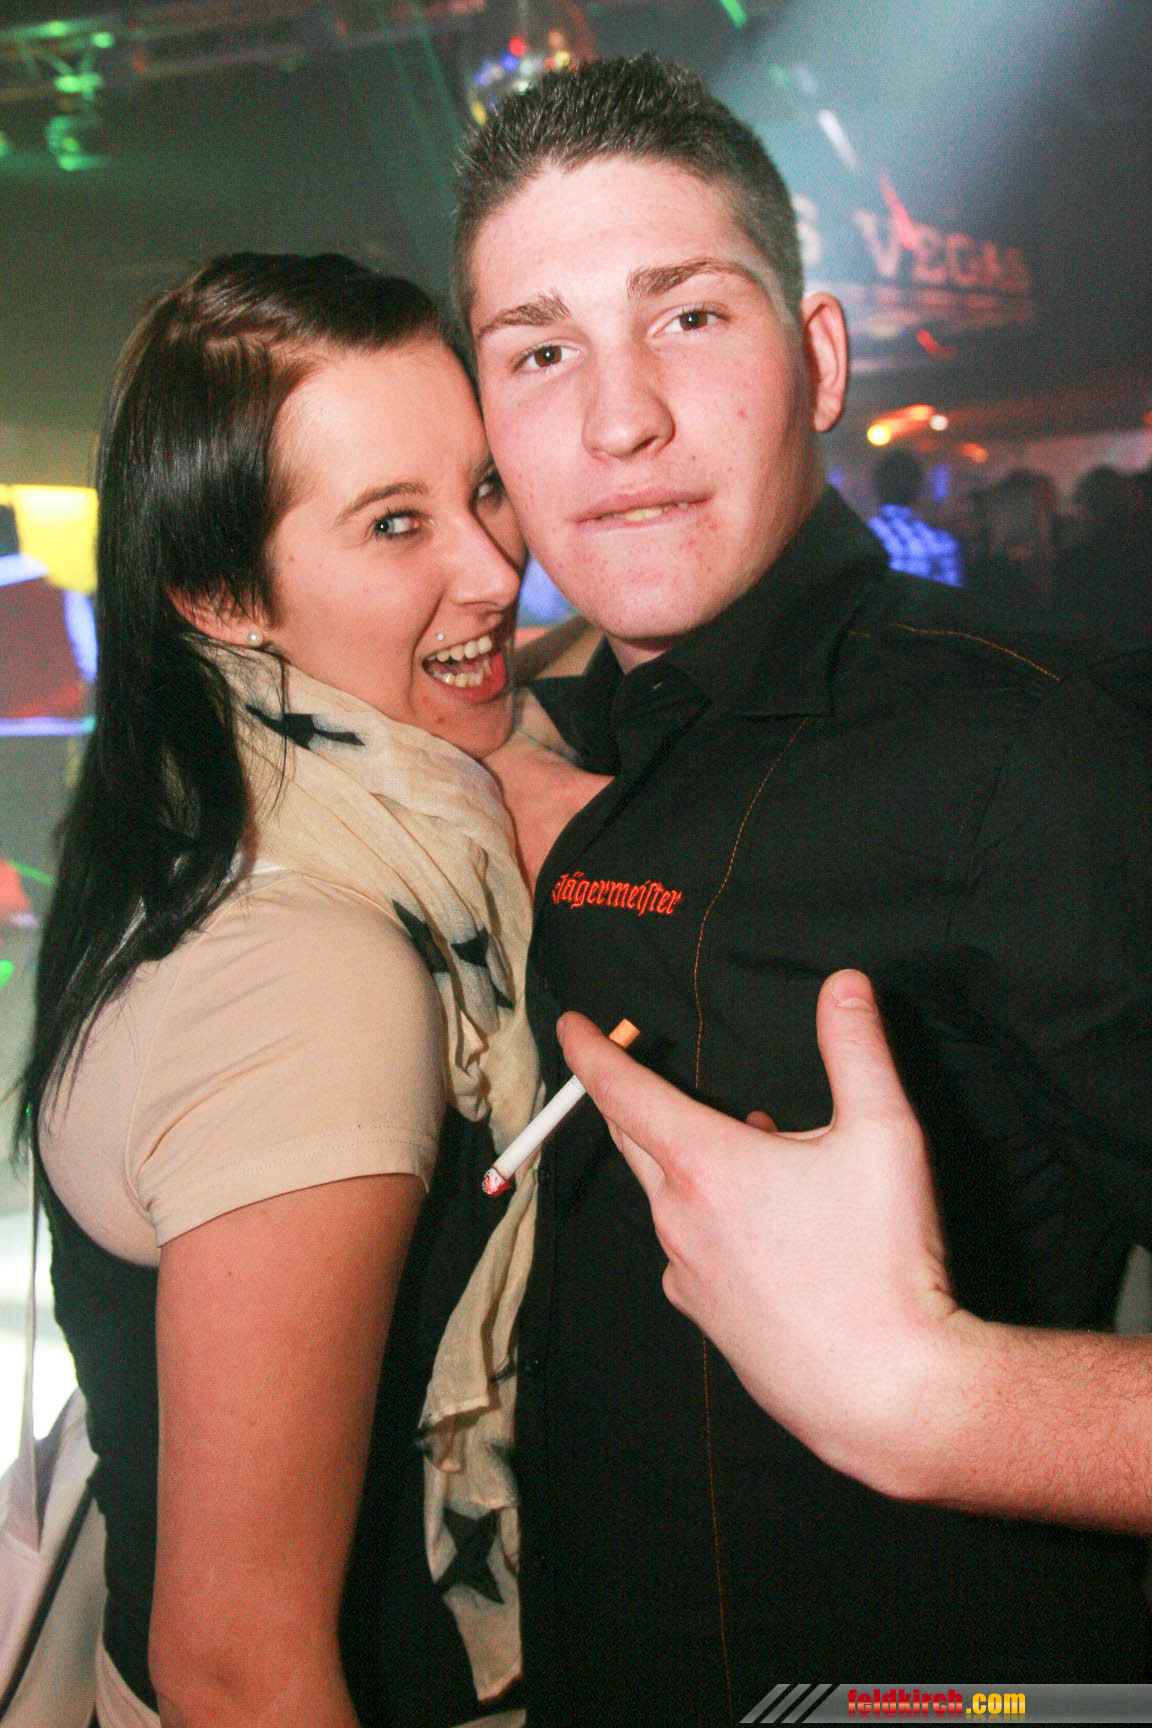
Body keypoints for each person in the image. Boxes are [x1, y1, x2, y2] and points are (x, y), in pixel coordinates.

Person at [413, 50, 1152, 1722]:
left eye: (687, 315)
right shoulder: (582, 736)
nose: (619, 417)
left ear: (817, 358)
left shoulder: (1030, 761)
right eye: (541, 350)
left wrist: (944, 1398)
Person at [17, 253, 542, 1728]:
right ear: (219, 593)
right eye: (395, 523)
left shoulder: (220, 808)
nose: (495, 570)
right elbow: (239, 1667)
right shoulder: (308, 970)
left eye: (486, 489)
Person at [868, 447, 965, 585]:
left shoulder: (856, 543)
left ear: (875, 489)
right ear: (918, 489)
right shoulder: (942, 544)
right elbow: (951, 596)